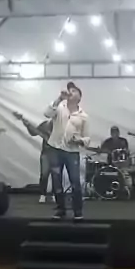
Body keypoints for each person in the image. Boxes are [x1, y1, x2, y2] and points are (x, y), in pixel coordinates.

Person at [45, 85, 90, 220]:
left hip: (72, 151)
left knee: (75, 181)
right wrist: (59, 98)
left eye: (74, 91)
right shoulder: (59, 108)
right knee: (56, 180)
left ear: (79, 97)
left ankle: (78, 211)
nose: (70, 92)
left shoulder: (83, 116)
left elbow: (87, 138)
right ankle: (60, 209)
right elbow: (47, 113)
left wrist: (80, 140)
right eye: (70, 90)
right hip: (55, 149)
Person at [22, 118, 54, 203]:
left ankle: (55, 195)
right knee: (44, 174)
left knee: (57, 175)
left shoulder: (64, 124)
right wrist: (28, 125)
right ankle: (42, 194)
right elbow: (33, 133)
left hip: (58, 152)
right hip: (46, 153)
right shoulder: (45, 124)